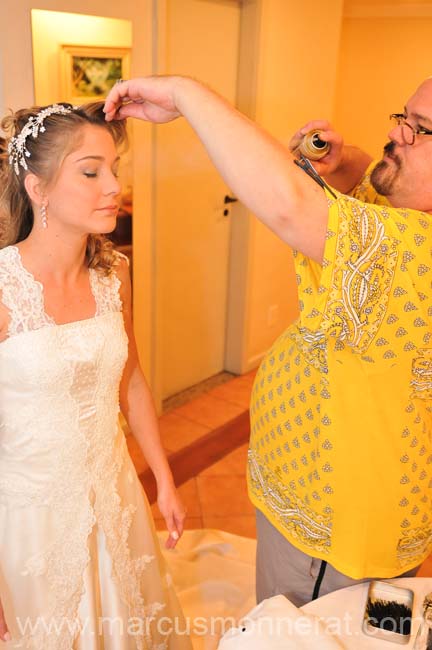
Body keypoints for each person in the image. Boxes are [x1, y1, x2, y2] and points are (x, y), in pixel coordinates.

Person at [104, 77, 432, 607]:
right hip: (312, 505)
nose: (400, 133)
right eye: (404, 116)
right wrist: (345, 162)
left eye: (421, 130)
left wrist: (187, 94)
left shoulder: (417, 251)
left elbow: (290, 206)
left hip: (336, 539)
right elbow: (373, 185)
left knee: (298, 633)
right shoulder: (408, 216)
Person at [0, 101, 192, 648]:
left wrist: (163, 476)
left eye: (114, 169)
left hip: (114, 498)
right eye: (91, 171)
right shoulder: (2, 288)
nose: (113, 186)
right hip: (29, 524)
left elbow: (130, 379)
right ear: (38, 188)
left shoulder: (114, 275)